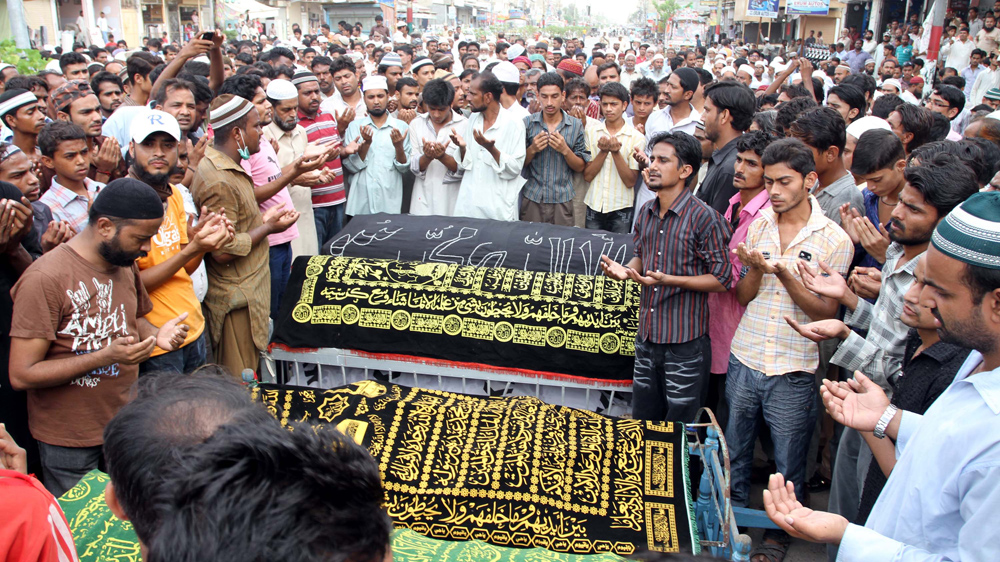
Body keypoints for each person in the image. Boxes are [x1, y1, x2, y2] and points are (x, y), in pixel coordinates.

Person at [764, 191, 1000, 562]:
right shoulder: (978, 358)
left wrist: (849, 537)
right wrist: (887, 419)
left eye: (935, 288)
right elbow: (953, 447)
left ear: (996, 304)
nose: (917, 296)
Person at [8, 179, 190, 496]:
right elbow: (22, 373)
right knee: (84, 533)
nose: (146, 249)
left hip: (122, 425)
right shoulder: (44, 278)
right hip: (70, 440)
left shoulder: (124, 262)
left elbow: (135, 318)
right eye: (140, 239)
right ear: (105, 226)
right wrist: (104, 357)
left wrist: (158, 336)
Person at [725, 138, 854, 562]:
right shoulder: (760, 222)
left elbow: (825, 310)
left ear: (810, 181)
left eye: (784, 182)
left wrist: (783, 274)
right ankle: (734, 524)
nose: (774, 191)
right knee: (737, 450)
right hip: (746, 354)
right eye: (769, 182)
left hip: (793, 364)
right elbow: (744, 295)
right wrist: (758, 271)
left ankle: (781, 534)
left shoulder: (833, 239)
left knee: (788, 458)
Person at [601, 131, 733, 423]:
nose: (653, 166)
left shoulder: (705, 218)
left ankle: (681, 471)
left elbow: (723, 279)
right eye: (652, 159)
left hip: (684, 341)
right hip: (647, 336)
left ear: (686, 170)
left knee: (682, 426)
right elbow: (643, 256)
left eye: (663, 160)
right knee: (646, 419)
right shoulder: (647, 211)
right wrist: (626, 270)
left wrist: (670, 280)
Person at [191, 94, 299, 376]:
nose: (261, 133)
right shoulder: (217, 177)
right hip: (235, 302)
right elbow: (222, 250)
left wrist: (263, 219)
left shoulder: (231, 165)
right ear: (237, 133)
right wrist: (268, 228)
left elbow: (237, 224)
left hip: (248, 296)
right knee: (241, 384)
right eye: (256, 127)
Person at [127, 110, 230, 376]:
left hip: (192, 326)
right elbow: (131, 286)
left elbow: (184, 268)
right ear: (131, 148)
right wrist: (193, 249)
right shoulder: (121, 202)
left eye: (168, 145)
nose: (158, 153)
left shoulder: (172, 194)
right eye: (148, 144)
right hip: (157, 339)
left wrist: (200, 243)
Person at [706, 130, 775, 429]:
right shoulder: (734, 203)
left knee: (728, 410)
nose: (739, 169)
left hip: (739, 322)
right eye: (738, 160)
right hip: (716, 315)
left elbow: (735, 277)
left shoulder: (765, 216)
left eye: (751, 164)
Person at [450, 71, 526, 221]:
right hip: (469, 207)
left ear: (488, 97)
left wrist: (491, 149)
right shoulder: (473, 119)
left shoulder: (514, 123)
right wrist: (463, 148)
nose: (468, 98)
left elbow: (515, 168)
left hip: (498, 210)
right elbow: (467, 164)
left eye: (473, 94)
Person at [521, 72, 587, 226]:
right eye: (544, 96)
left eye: (554, 96)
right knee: (530, 244)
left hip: (562, 200)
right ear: (537, 95)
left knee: (561, 245)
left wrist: (565, 150)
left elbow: (580, 166)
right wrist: (533, 149)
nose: (549, 102)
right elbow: (518, 163)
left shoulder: (575, 125)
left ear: (563, 95)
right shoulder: (528, 123)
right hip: (533, 198)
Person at [292, 71, 347, 248]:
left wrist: (347, 150)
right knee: (315, 253)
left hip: (338, 199)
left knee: (335, 254)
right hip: (314, 204)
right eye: (307, 93)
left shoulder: (329, 116)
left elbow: (336, 150)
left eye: (316, 91)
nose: (314, 97)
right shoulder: (294, 126)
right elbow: (296, 164)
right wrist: (320, 159)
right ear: (295, 96)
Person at [343, 75, 410, 216]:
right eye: (371, 97)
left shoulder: (400, 126)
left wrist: (398, 146)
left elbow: (404, 168)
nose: (376, 101)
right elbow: (351, 167)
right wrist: (366, 144)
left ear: (387, 96)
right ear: (364, 99)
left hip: (390, 200)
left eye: (380, 96)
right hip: (360, 201)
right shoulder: (355, 127)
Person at [583, 81, 644, 233]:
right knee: (591, 249)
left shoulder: (636, 137)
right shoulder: (592, 132)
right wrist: (603, 152)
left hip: (621, 207)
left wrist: (616, 153)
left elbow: (630, 181)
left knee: (617, 253)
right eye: (605, 104)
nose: (608, 109)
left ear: (624, 105)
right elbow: (587, 176)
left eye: (613, 104)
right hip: (594, 204)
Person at [788, 107, 864, 227]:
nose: (794, 156)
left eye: (802, 150)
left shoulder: (846, 201)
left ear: (830, 154)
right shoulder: (815, 180)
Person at [407, 78, 465, 216]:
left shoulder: (465, 125)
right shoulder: (416, 124)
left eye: (441, 110)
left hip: (452, 203)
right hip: (422, 203)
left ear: (451, 104)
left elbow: (464, 170)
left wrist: (442, 157)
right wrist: (427, 157)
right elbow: (414, 167)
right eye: (432, 109)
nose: (436, 114)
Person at [696, 81, 755, 215]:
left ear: (724, 116)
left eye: (707, 110)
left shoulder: (731, 168)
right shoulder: (722, 157)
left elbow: (716, 226)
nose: (702, 118)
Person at [36, 122, 104, 233]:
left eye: (84, 152)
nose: (81, 161)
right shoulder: (48, 209)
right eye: (70, 156)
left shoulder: (102, 189)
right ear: (48, 161)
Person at [318, 55, 366, 128]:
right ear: (334, 81)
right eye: (338, 79)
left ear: (357, 76)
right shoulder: (327, 106)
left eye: (347, 76)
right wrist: (341, 128)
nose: (343, 82)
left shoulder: (369, 101)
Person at [0, 89, 45, 162]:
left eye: (40, 110)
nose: (41, 116)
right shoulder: (7, 162)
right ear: (11, 120)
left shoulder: (48, 153)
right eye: (30, 113)